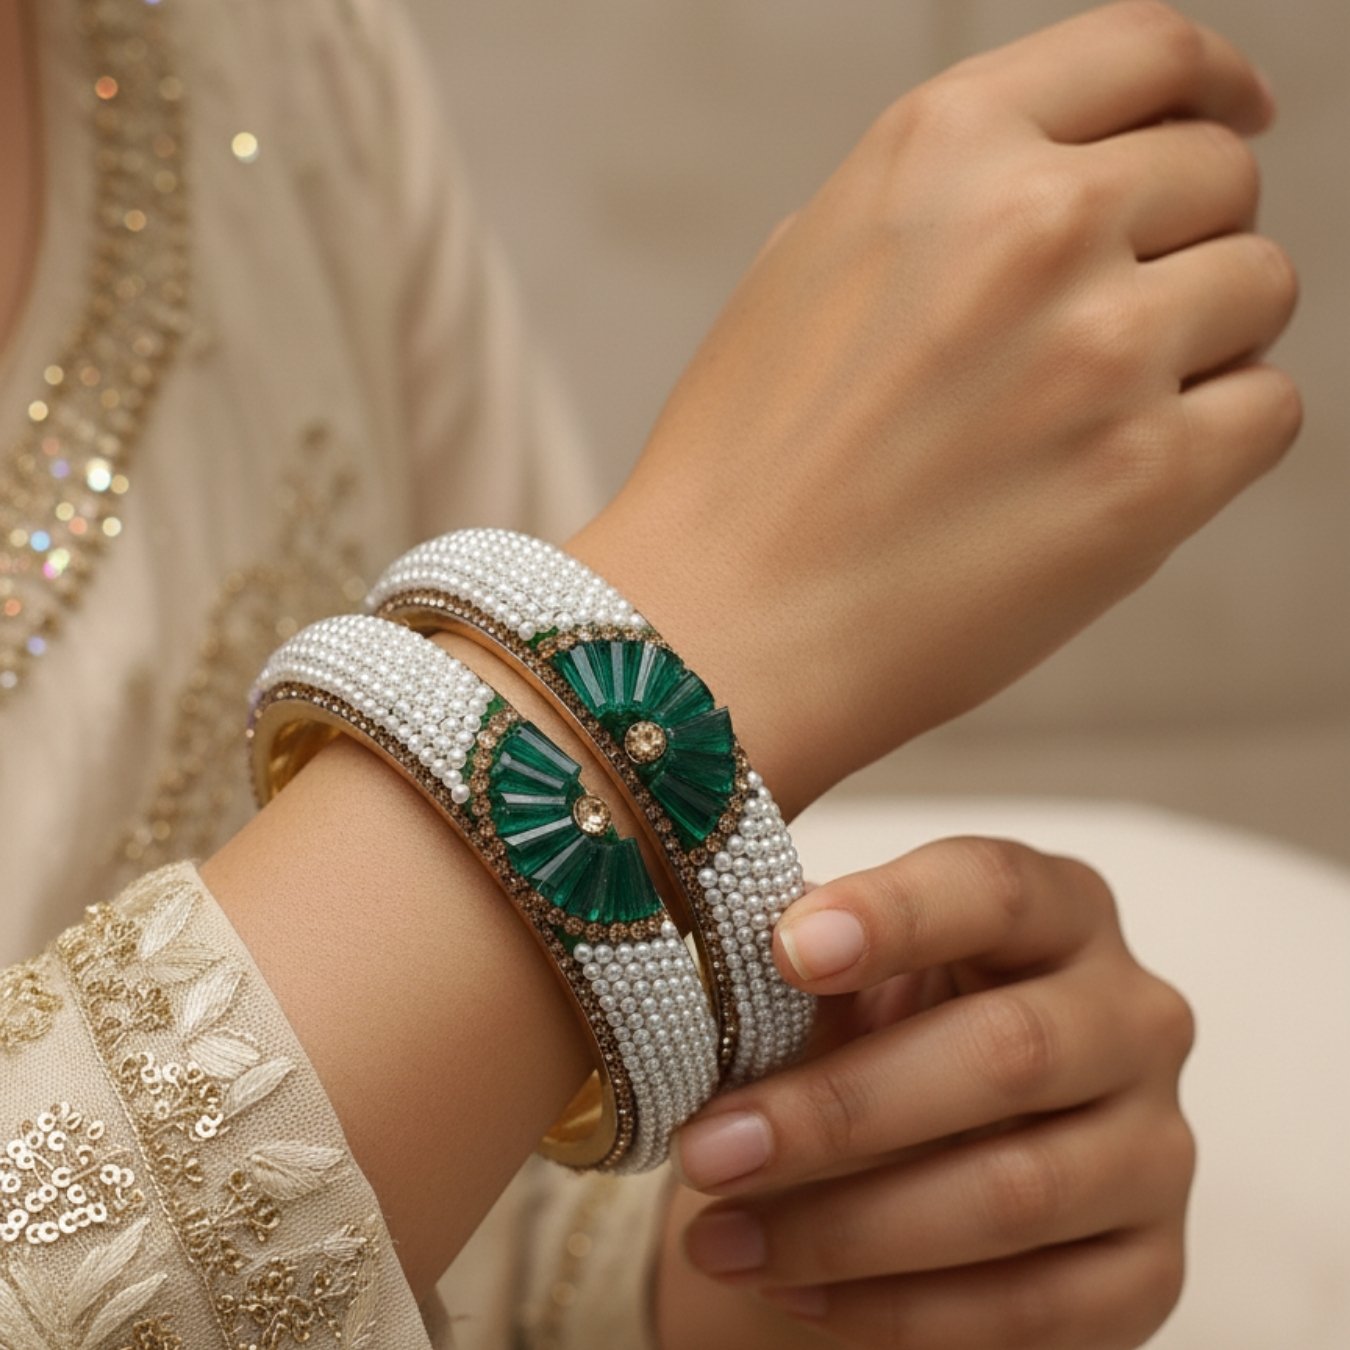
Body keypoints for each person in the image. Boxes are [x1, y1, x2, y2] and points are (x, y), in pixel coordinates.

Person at [0, 1, 1298, 1347]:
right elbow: (576, 799)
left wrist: (749, 1263)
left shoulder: (268, 50)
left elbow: (524, 1008)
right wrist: (715, 597)